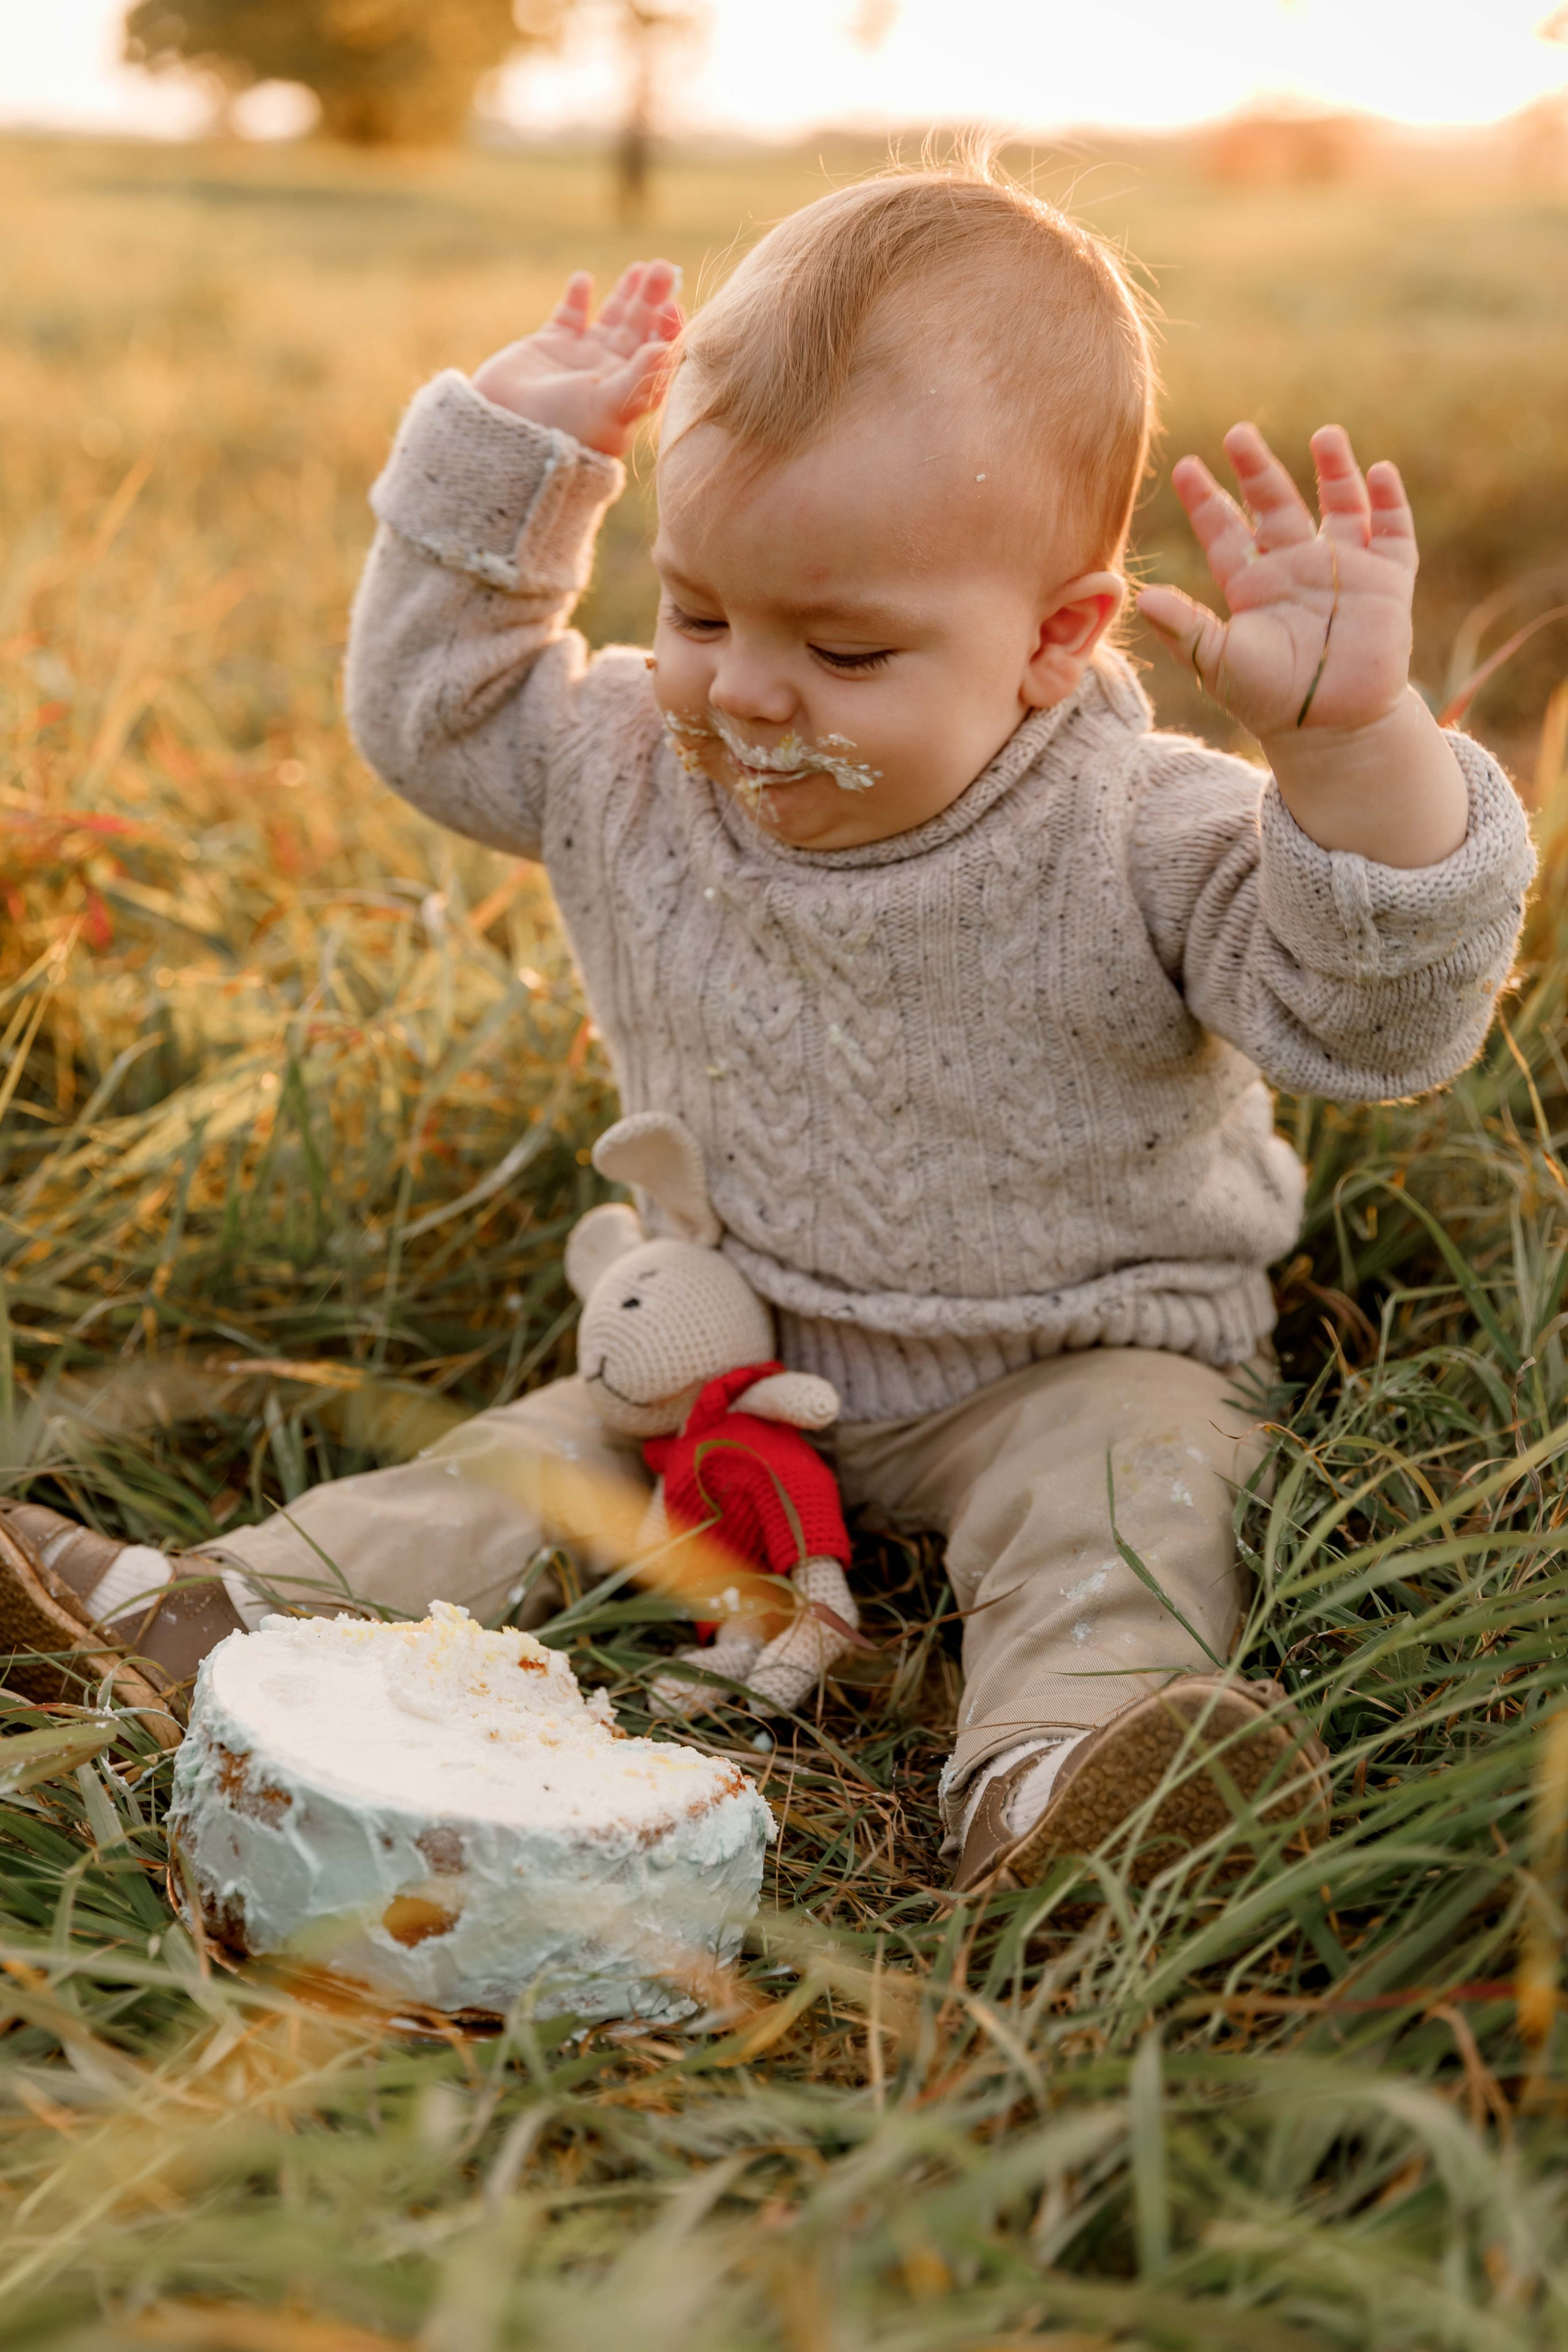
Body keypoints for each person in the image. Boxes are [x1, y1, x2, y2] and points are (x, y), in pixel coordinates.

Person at [1, 158, 1533, 1891]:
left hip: (1076, 1352)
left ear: (1056, 638)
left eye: (848, 654)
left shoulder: (1142, 829)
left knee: (1131, 1497)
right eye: (699, 610)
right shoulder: (631, 760)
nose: (742, 689)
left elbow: (1374, 1029)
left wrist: (1351, 757)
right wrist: (509, 466)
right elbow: (437, 715)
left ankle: (1062, 1774)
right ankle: (199, 1616)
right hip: (724, 1354)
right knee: (523, 1467)